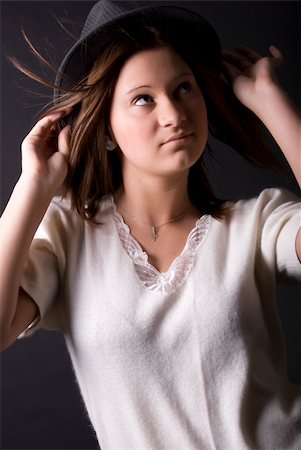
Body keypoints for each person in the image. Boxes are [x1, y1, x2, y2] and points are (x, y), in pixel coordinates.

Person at [1, 0, 300, 448]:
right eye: (144, 98)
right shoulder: (69, 234)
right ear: (105, 130)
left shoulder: (254, 225)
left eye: (183, 89)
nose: (174, 114)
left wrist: (269, 101)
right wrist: (33, 187)